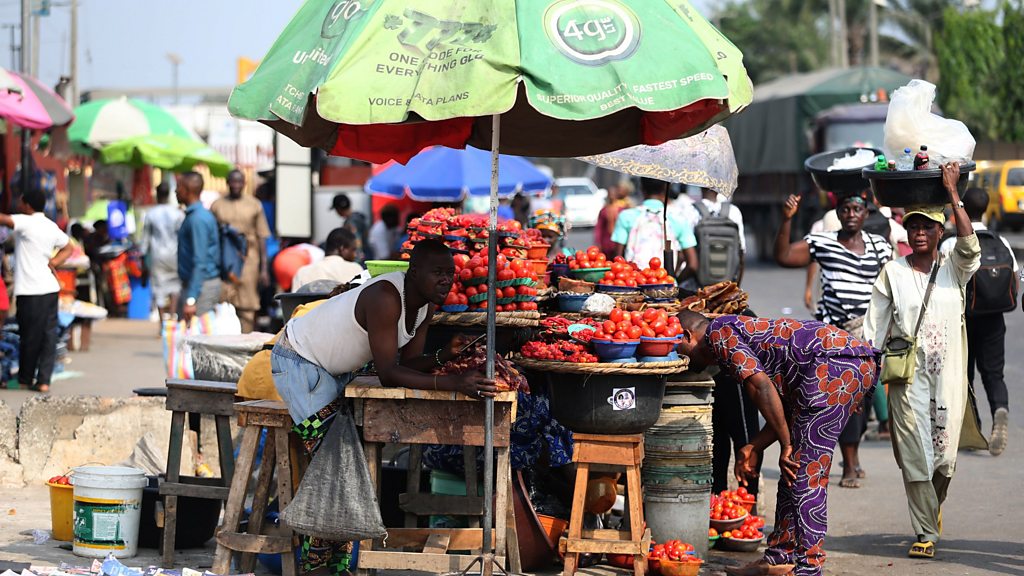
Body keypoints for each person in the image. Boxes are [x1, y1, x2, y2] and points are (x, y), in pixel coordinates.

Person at [271, 239, 493, 574]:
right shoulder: (386, 298)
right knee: (334, 464)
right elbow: (389, 374)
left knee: (346, 464)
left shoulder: (425, 306)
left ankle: (336, 564)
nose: (446, 280)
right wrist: (453, 383)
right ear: (414, 272)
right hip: (299, 361)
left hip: (333, 371)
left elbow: (409, 362)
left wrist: (444, 354)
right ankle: (317, 566)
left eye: (450, 273)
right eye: (438, 273)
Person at [675, 310, 878, 576]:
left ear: (688, 336)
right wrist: (753, 446)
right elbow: (779, 408)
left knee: (806, 474)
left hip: (833, 365)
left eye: (677, 347)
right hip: (835, 364)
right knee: (794, 470)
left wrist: (786, 445)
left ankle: (808, 567)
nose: (679, 356)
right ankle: (777, 558)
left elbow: (762, 388)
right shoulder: (730, 333)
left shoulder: (718, 333)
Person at [865, 162, 987, 559]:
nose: (919, 232)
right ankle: (924, 531)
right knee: (916, 455)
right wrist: (861, 367)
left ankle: (932, 510)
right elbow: (872, 329)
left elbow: (971, 247)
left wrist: (953, 194)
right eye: (913, 226)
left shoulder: (954, 268)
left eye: (927, 227)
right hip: (908, 379)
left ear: (940, 231)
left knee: (945, 459)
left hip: (948, 378)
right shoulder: (892, 273)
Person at [775, 193, 892, 488]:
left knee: (863, 402)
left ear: (866, 214)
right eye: (845, 209)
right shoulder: (823, 242)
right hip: (834, 338)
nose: (851, 214)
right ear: (838, 213)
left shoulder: (880, 246)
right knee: (845, 398)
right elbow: (785, 256)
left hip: (869, 336)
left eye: (857, 209)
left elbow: (891, 284)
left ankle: (853, 456)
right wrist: (787, 220)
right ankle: (850, 464)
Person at [940, 187, 1016, 456]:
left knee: (964, 375)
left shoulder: (951, 243)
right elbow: (1014, 278)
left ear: (958, 209)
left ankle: (972, 429)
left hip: (963, 318)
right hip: (995, 319)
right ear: (985, 209)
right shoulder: (1001, 241)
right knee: (994, 373)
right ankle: (1000, 410)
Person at [0, 189, 74, 393]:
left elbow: (4, 219)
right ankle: (43, 381)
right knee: (48, 336)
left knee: (29, 336)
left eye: (21, 201)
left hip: (30, 290)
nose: (18, 204)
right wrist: (54, 262)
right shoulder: (50, 225)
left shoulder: (26, 222)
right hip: (49, 288)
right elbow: (69, 247)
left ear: (27, 205)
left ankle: (24, 379)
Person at [211, 170, 271, 332]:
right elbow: (212, 236)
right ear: (227, 183)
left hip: (250, 258)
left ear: (244, 184)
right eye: (233, 182)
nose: (236, 185)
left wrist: (264, 269)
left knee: (248, 303)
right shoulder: (217, 206)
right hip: (225, 259)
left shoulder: (254, 205)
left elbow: (262, 236)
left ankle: (246, 339)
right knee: (224, 300)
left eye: (239, 182)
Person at [611, 178, 698, 279]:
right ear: (666, 188)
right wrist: (675, 282)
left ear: (642, 188)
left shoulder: (626, 216)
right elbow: (693, 265)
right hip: (665, 287)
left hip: (634, 285)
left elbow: (618, 260)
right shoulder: (678, 218)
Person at [176, 172, 221, 325]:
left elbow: (200, 261)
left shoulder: (197, 220)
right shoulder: (195, 216)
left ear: (187, 189)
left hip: (202, 287)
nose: (176, 191)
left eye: (178, 187)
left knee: (196, 338)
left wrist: (191, 299)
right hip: (197, 284)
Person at [684, 187, 746, 286]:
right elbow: (741, 254)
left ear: (700, 186)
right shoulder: (733, 211)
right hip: (725, 286)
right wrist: (735, 287)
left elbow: (685, 253)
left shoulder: (690, 211)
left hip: (697, 287)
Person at [141, 182, 184, 319]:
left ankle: (162, 323)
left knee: (159, 288)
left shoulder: (151, 214)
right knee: (175, 286)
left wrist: (143, 259)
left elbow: (145, 239)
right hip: (175, 254)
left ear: (157, 195)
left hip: (157, 255)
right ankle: (172, 316)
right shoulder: (177, 213)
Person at [291, 228, 363, 291]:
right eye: (353, 250)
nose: (355, 255)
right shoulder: (355, 269)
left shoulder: (302, 272)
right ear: (342, 248)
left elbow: (293, 304)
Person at [594, 180, 633, 258]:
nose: (612, 195)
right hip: (606, 243)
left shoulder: (624, 210)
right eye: (610, 193)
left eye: (614, 193)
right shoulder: (604, 210)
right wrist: (598, 243)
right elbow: (599, 228)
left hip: (618, 243)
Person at [331, 193, 369, 261]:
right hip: (366, 256)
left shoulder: (351, 222)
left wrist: (356, 261)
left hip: (361, 260)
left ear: (339, 208)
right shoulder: (358, 217)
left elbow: (357, 242)